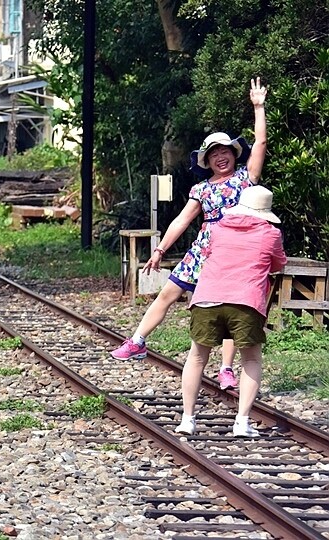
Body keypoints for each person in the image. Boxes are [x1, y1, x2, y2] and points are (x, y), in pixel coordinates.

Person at [111, 77, 268, 392]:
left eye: (225, 151)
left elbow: (261, 144)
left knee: (229, 306)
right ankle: (138, 340)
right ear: (206, 160)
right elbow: (182, 220)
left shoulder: (245, 179)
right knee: (168, 293)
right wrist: (159, 250)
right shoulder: (202, 188)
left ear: (234, 154)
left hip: (236, 252)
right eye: (213, 154)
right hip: (205, 249)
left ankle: (226, 369)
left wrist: (259, 107)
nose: (220, 157)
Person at [174, 185, 286, 437]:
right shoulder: (271, 233)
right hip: (245, 302)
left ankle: (187, 420)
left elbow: (208, 254)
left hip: (207, 298)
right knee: (251, 359)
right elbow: (279, 263)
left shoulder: (217, 228)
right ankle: (242, 422)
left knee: (196, 358)